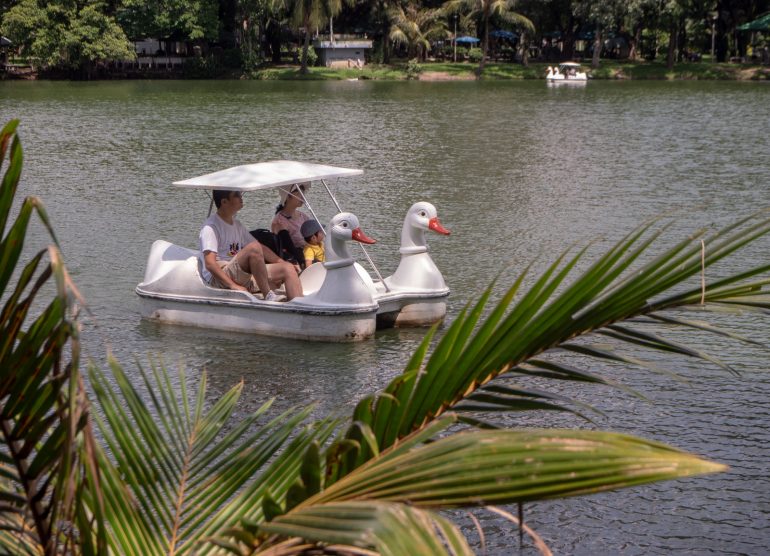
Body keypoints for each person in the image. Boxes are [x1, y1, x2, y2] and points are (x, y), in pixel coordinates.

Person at [199, 189, 303, 301]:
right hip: (219, 277)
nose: (241, 197)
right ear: (224, 202)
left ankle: (300, 308)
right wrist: (233, 286)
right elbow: (210, 264)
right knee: (253, 248)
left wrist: (281, 262)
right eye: (236, 195)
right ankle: (268, 295)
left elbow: (261, 247)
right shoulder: (210, 227)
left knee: (287, 268)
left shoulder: (237, 225)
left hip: (239, 273)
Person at [271, 182, 311, 262]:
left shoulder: (303, 216)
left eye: (303, 193)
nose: (303, 197)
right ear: (288, 196)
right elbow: (284, 247)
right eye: (299, 194)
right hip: (298, 257)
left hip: (310, 252)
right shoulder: (279, 221)